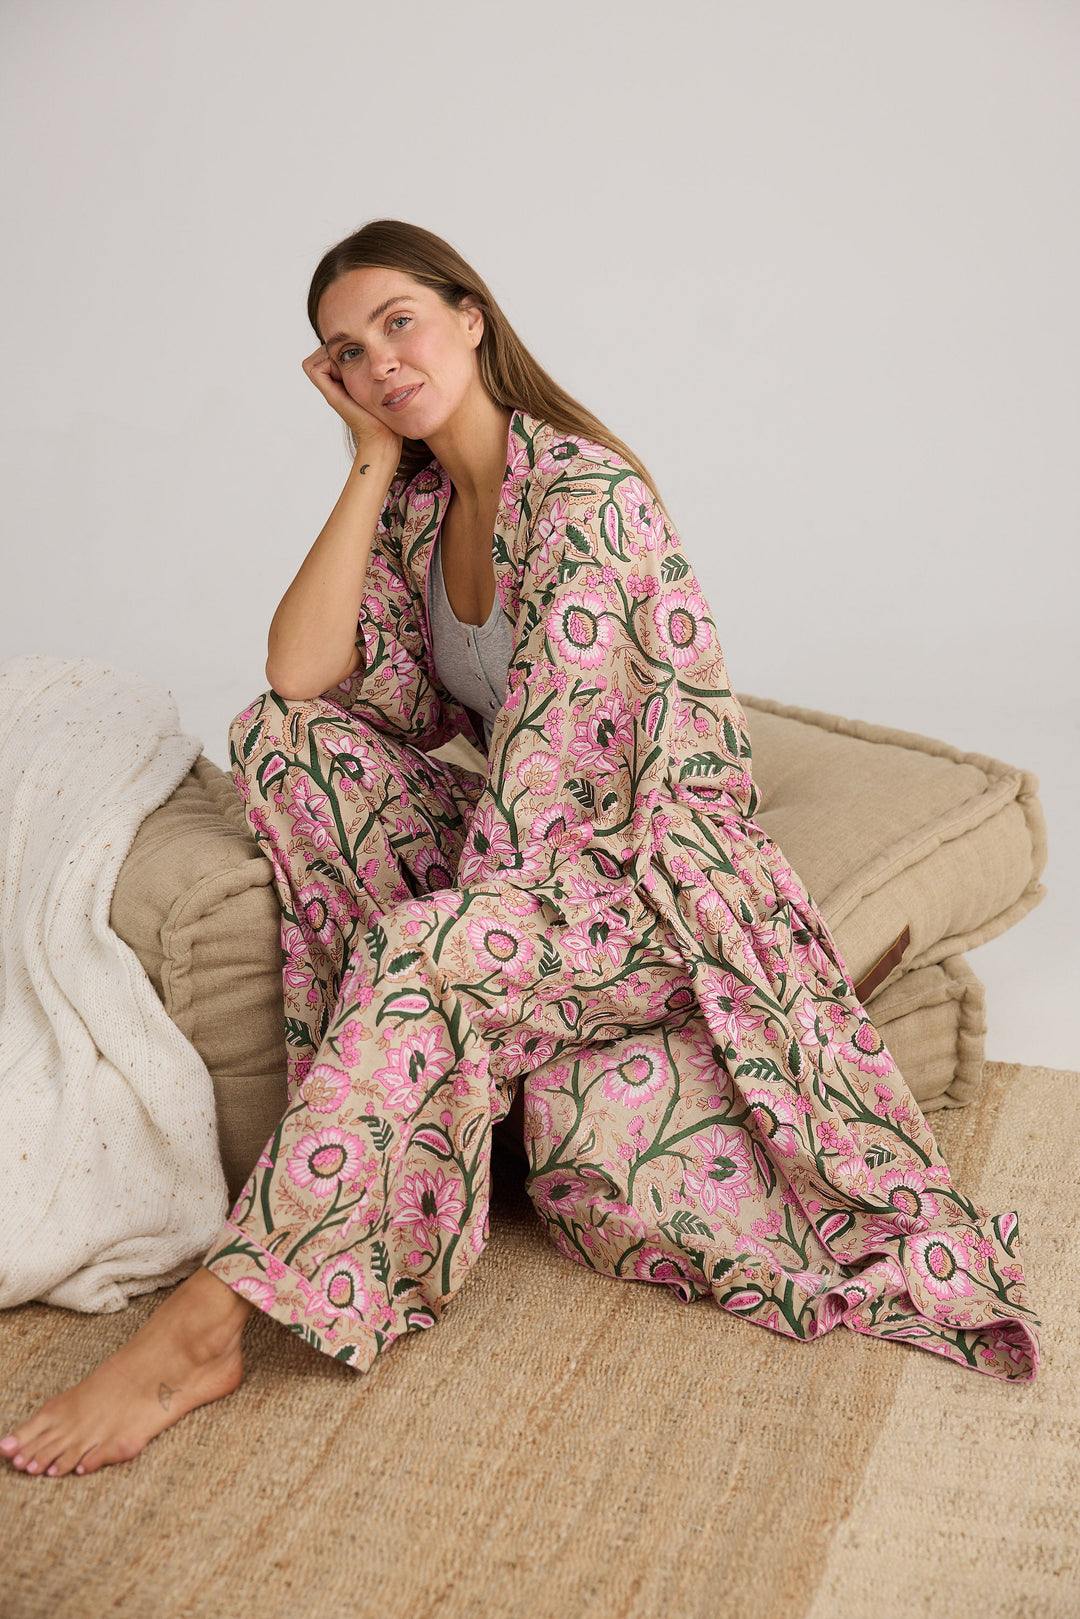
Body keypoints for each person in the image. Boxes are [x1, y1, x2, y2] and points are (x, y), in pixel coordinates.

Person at [1, 219, 1041, 1479]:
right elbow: (304, 674)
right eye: (346, 349)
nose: (380, 359)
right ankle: (421, 1092)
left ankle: (210, 1321)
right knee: (285, 740)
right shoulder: (423, 506)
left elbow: (563, 786)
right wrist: (368, 462)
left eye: (398, 321)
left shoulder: (586, 496)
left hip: (650, 877)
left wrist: (446, 944)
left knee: (424, 952)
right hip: (534, 861)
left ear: (471, 315)